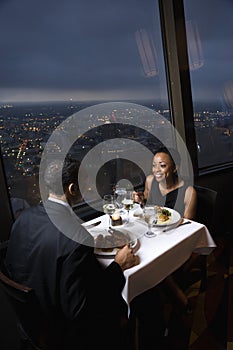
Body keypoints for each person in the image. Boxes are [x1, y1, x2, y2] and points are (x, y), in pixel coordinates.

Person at [4, 157, 139, 350]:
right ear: (72, 189)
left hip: (29, 323)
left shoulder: (23, 219)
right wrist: (119, 265)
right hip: (64, 334)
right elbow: (82, 310)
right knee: (131, 304)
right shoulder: (75, 237)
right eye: (85, 183)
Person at [134, 146, 197, 219]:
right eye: (154, 165)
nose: (156, 170)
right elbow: (146, 205)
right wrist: (140, 200)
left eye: (162, 165)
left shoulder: (189, 192)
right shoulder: (150, 181)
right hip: (153, 226)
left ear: (174, 168)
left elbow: (188, 224)